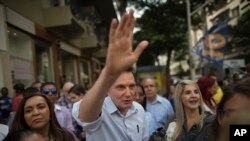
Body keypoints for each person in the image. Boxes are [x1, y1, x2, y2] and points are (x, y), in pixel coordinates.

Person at [72, 10, 149, 141]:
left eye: (132, 86)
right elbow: (85, 117)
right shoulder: (98, 109)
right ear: (107, 90)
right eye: (121, 87)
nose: (129, 93)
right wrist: (108, 73)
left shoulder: (139, 110)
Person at [5, 93, 75, 141]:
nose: (36, 113)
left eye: (41, 107)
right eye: (29, 110)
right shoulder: (16, 139)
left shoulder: (65, 136)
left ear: (50, 112)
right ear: (23, 117)